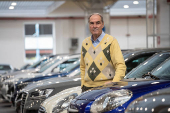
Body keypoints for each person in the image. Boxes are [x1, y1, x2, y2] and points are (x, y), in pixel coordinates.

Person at [80, 13, 126, 92]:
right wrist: (82, 84)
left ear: (102, 24)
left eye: (98, 23)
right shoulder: (85, 43)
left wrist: (114, 83)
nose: (95, 26)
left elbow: (120, 65)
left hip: (106, 87)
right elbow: (82, 66)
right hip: (87, 88)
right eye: (92, 23)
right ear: (89, 25)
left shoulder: (111, 41)